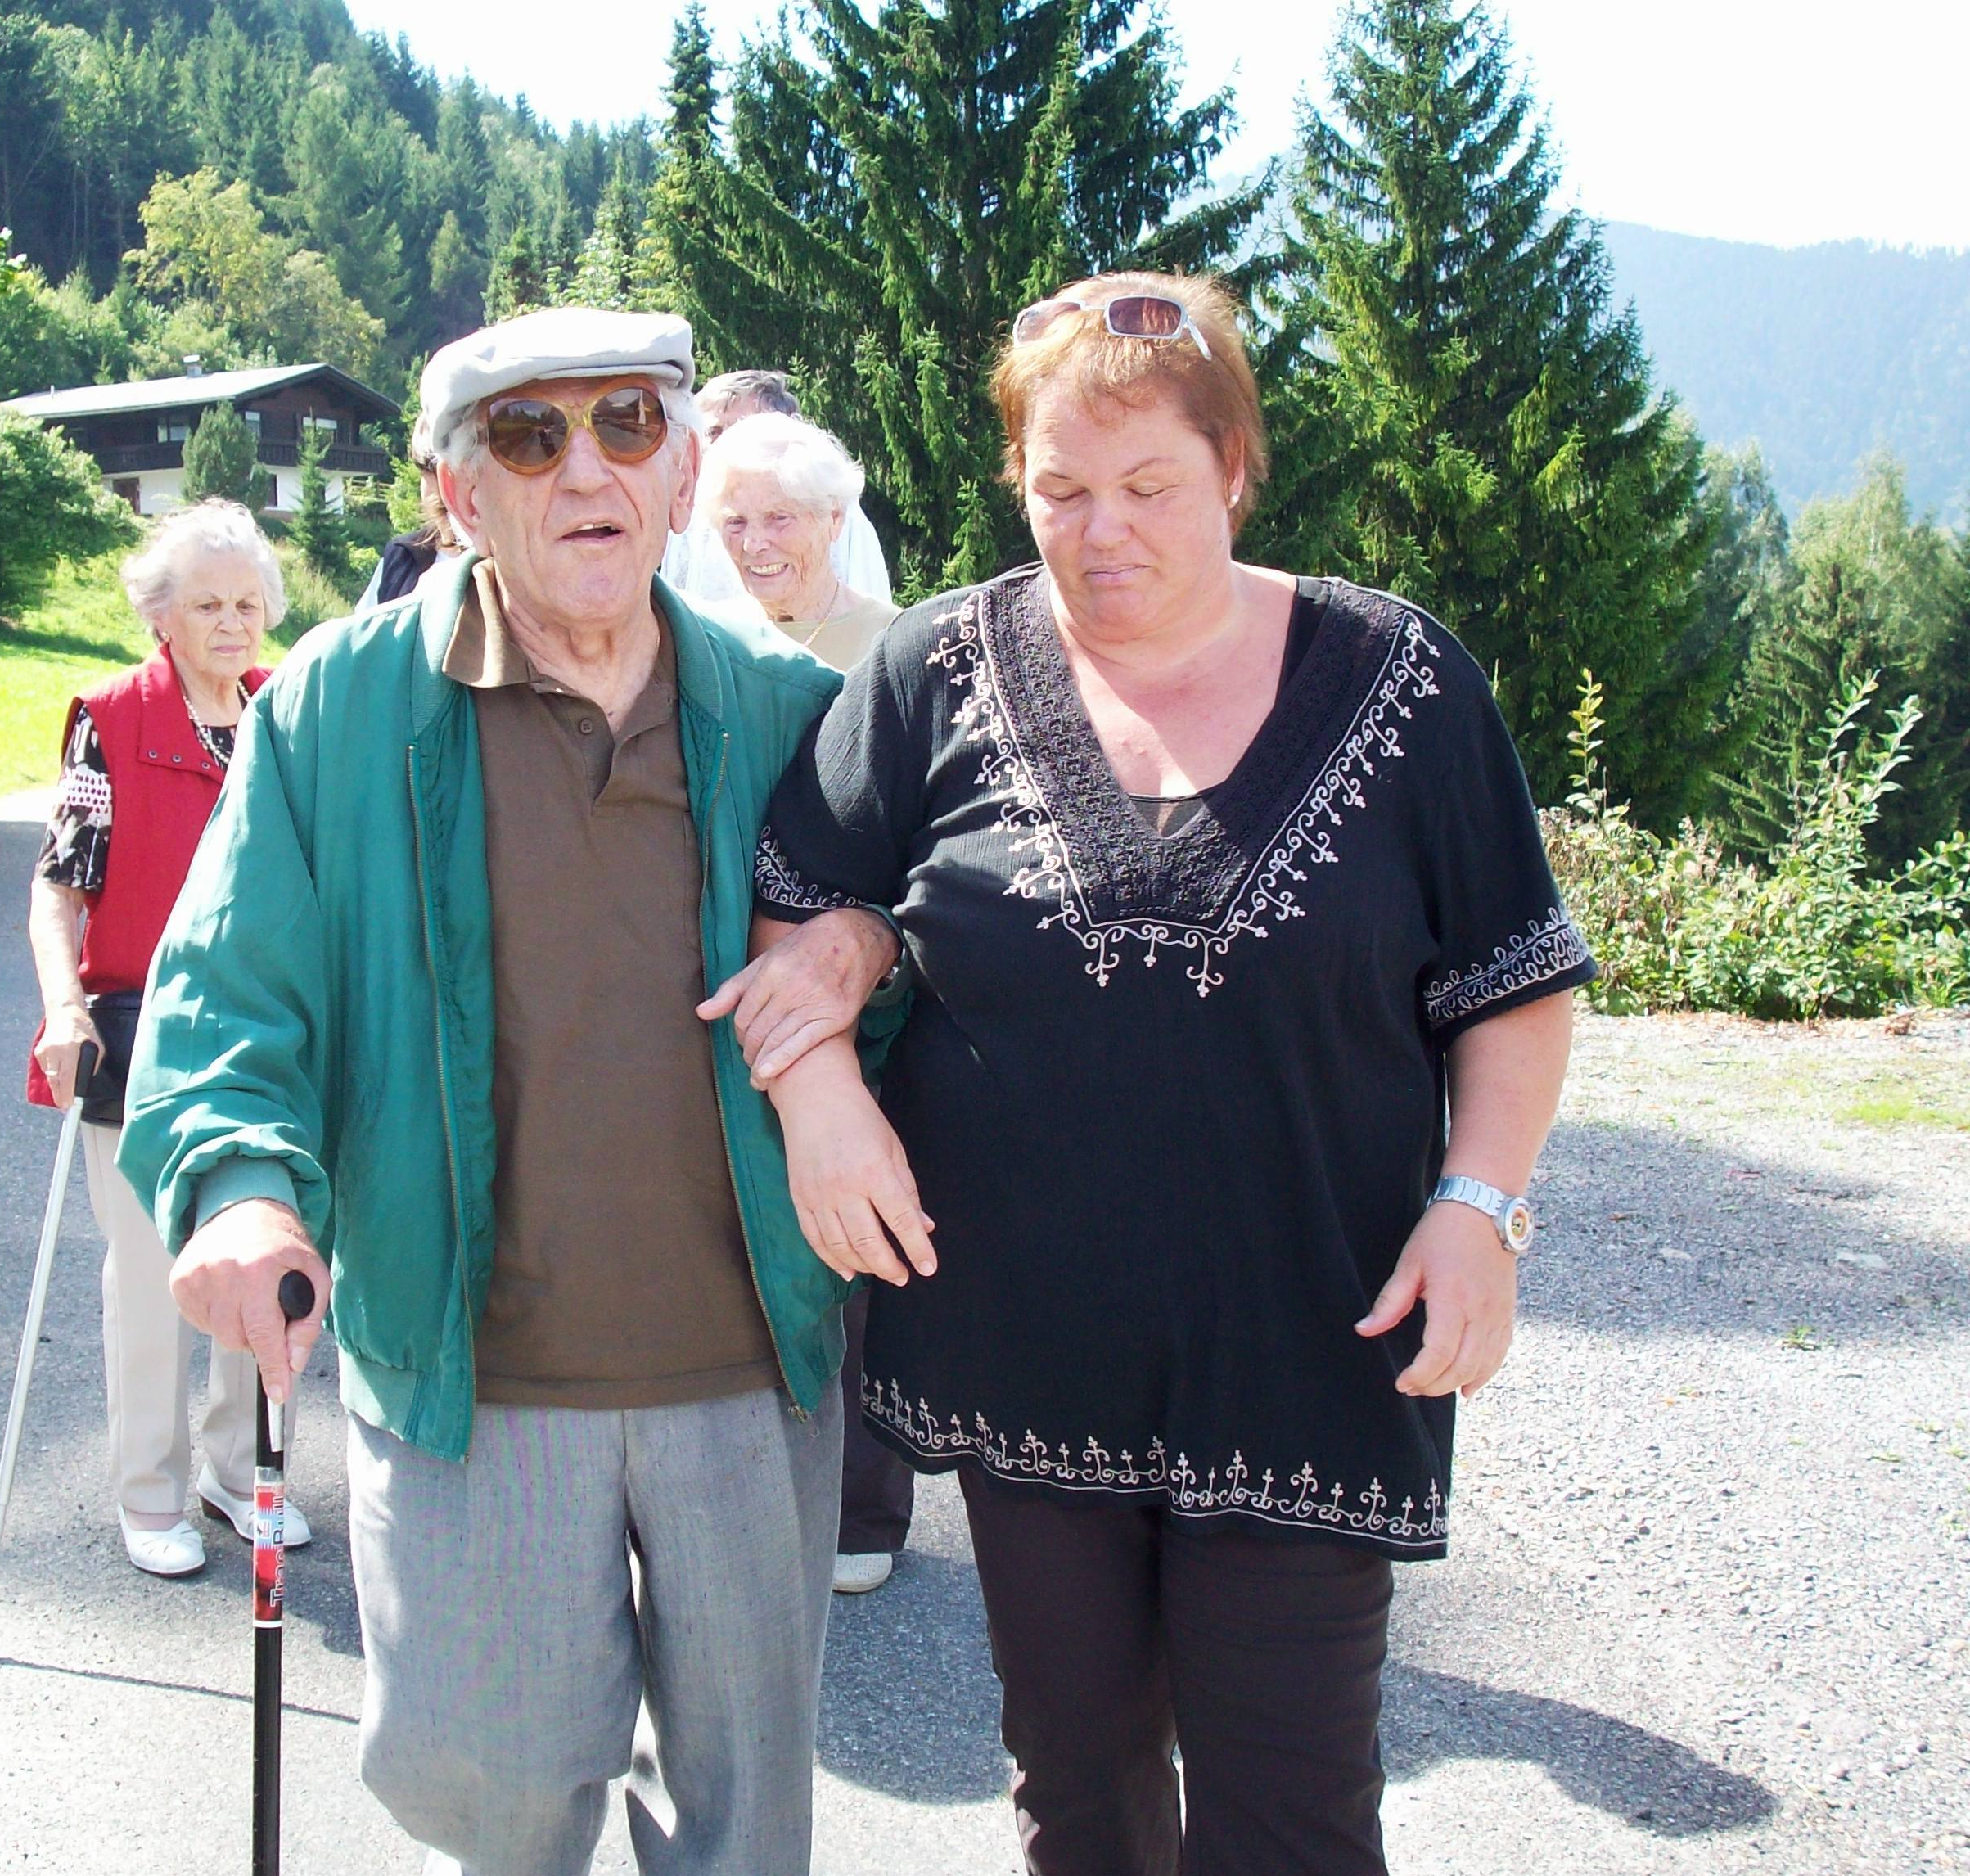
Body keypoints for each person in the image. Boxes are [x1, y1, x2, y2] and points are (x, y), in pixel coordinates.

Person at [724, 271, 1595, 1874]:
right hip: (1028, 1350)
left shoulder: (1400, 682)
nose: (1101, 529)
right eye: (1059, 488)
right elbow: (802, 894)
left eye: (1148, 486)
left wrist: (1480, 1205)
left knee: (1292, 1820)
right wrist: (823, 1092)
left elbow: (1513, 982)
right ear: (1015, 481)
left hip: (1314, 1341)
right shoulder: (931, 668)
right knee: (1080, 1798)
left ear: (1235, 470)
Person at [117, 307, 897, 1873]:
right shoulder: (339, 708)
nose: (587, 469)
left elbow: (914, 953)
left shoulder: (785, 708)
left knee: (746, 1830)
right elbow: (227, 994)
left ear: (683, 474)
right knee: (500, 1805)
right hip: (474, 1378)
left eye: (627, 424)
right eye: (533, 437)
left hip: (751, 1372)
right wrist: (243, 1186)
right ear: (457, 494)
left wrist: (869, 946)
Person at [24, 498, 309, 1576]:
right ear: (162, 613)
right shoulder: (111, 719)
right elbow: (58, 889)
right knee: (149, 1274)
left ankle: (239, 1473)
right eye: (206, 605)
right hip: (139, 1032)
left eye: (246, 603)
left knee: (266, 1252)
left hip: (268, 1034)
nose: (231, 623)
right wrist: (63, 1008)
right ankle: (148, 1493)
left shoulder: (283, 714)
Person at [692, 408, 911, 1595]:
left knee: (858, 1237)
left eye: (779, 517)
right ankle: (741, 1489)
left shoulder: (895, 650)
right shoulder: (699, 643)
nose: (756, 542)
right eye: (733, 521)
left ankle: (864, 1510)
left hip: (872, 998)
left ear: (834, 520)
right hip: (728, 985)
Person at [662, 368, 892, 611]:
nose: (729, 443)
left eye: (745, 428)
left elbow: (870, 611)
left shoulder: (831, 507)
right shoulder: (688, 514)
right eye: (714, 432)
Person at [357, 416, 467, 611]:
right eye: (427, 470)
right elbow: (365, 628)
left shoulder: (507, 568)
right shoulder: (402, 557)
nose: (444, 492)